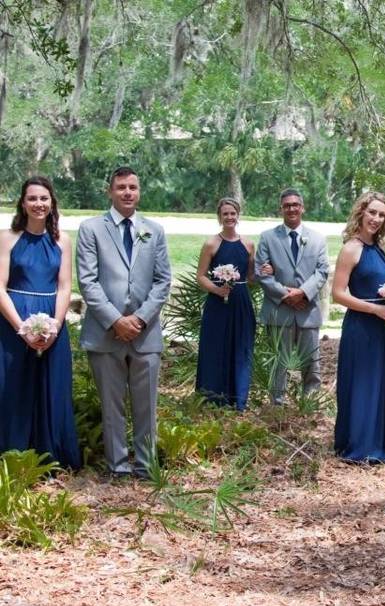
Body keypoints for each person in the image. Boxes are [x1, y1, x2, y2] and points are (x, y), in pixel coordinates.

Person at [76, 167, 172, 477]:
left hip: (145, 335)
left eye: (133, 186)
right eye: (121, 187)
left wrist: (140, 319)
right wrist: (116, 321)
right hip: (105, 334)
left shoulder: (153, 230)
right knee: (112, 405)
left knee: (146, 406)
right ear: (110, 191)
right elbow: (88, 282)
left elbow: (162, 281)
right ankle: (118, 467)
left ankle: (146, 466)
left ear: (139, 191)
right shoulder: (91, 229)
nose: (127, 192)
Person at [0, 177, 81, 469]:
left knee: (50, 387)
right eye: (32, 198)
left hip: (51, 318)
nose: (38, 204)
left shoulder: (62, 240)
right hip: (12, 319)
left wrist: (55, 326)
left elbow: (64, 287)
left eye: (44, 198)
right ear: (23, 202)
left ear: (52, 203)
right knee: (12, 384)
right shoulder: (6, 237)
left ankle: (49, 456)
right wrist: (22, 328)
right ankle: (12, 456)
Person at [331, 192, 385, 463]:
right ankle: (360, 445)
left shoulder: (378, 248)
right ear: (361, 213)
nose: (375, 218)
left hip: (383, 326)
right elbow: (338, 293)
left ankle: (381, 441)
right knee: (362, 384)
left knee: (380, 383)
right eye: (371, 212)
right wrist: (375, 308)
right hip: (362, 327)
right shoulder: (352, 248)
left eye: (381, 214)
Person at [255, 188, 329, 405]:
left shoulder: (317, 239)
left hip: (307, 311)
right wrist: (286, 295)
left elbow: (322, 271)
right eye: (287, 205)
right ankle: (277, 405)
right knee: (278, 362)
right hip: (279, 311)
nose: (291, 209)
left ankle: (310, 404)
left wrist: (303, 293)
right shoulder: (268, 237)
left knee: (311, 363)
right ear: (281, 209)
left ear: (302, 207)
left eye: (295, 204)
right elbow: (262, 272)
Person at [195, 197, 257, 410]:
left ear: (238, 215)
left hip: (240, 302)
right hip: (217, 303)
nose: (229, 217)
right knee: (215, 347)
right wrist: (217, 289)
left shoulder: (248, 244)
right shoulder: (211, 243)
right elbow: (201, 276)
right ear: (219, 217)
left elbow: (250, 278)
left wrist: (263, 271)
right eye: (225, 214)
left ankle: (237, 398)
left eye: (233, 213)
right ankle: (212, 397)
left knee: (240, 347)